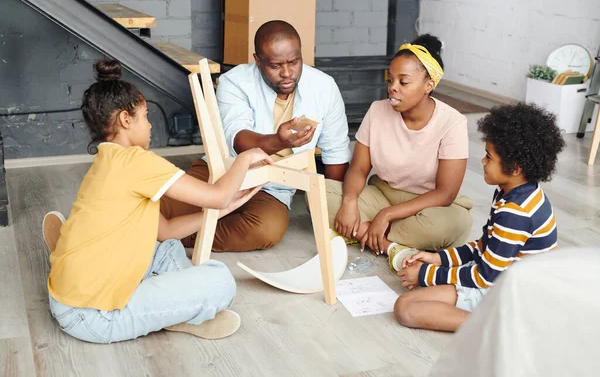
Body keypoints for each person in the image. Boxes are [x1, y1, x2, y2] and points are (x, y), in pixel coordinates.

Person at [42, 59, 272, 344]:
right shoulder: (137, 161)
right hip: (93, 316)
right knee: (221, 280)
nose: (151, 125)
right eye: (145, 116)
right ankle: (182, 310)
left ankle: (175, 307)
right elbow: (217, 195)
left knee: (166, 249)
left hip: (67, 297)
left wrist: (227, 207)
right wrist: (245, 158)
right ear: (126, 120)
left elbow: (166, 231)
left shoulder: (106, 160)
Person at [160, 20, 352, 251]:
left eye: (294, 62)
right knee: (159, 205)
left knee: (265, 230)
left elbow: (336, 153)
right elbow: (238, 139)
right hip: (224, 170)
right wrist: (279, 141)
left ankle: (173, 236)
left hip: (273, 186)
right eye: (275, 65)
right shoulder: (235, 81)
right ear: (257, 60)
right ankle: (168, 231)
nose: (287, 73)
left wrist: (333, 206)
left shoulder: (324, 86)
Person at [394, 103, 565, 332]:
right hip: (503, 279)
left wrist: (426, 275)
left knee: (405, 307)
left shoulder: (515, 212)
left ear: (515, 168)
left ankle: (498, 326)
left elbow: (485, 276)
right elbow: (484, 246)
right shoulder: (514, 193)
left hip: (510, 293)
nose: (483, 161)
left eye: (488, 157)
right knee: (415, 298)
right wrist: (438, 259)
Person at [327, 34, 472, 269]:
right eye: (390, 80)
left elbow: (445, 194)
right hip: (383, 193)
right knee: (320, 194)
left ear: (429, 85)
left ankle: (365, 232)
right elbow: (359, 168)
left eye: (403, 82)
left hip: (429, 206)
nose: (392, 88)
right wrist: (350, 201)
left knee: (450, 225)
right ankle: (392, 247)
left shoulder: (452, 122)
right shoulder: (377, 111)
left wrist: (385, 216)